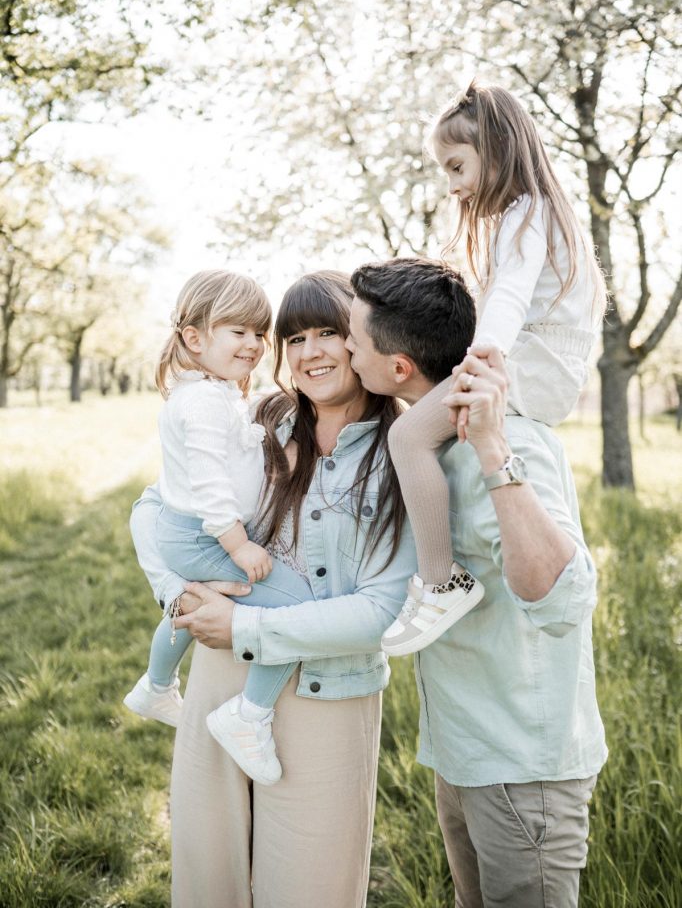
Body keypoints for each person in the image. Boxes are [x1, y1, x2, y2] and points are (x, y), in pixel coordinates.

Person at [129, 270, 433, 908]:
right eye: (293, 338)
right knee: (207, 883)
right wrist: (174, 592)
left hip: (325, 697)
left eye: (330, 332)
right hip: (220, 676)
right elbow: (156, 505)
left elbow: (382, 609)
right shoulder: (262, 422)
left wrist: (245, 625)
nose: (310, 351)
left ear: (365, 340)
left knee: (308, 892)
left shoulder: (403, 448)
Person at [345, 257, 607, 908]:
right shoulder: (426, 446)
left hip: (523, 769)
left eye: (352, 342)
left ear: (398, 367)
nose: (345, 353)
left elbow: (567, 598)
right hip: (466, 754)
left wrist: (494, 453)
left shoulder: (506, 437)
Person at [382, 82, 607, 655]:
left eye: (457, 167)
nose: (453, 186)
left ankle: (440, 579)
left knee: (408, 434)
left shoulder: (527, 213)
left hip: (527, 367)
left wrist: (484, 359)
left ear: (498, 146)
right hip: (546, 373)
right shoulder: (549, 216)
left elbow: (508, 295)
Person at [123, 268, 317, 786]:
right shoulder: (204, 402)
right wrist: (237, 544)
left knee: (196, 594)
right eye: (239, 331)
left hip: (187, 532)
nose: (254, 344)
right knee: (296, 607)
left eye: (260, 332)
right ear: (195, 337)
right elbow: (210, 483)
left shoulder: (212, 393)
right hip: (205, 535)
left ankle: (156, 684)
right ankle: (249, 715)